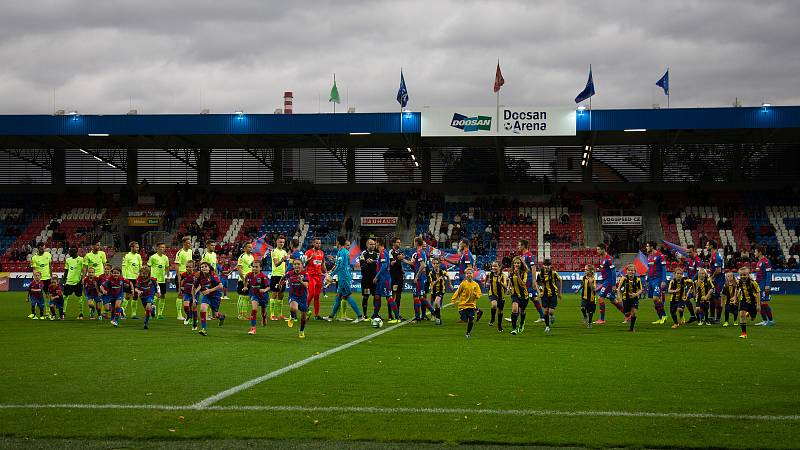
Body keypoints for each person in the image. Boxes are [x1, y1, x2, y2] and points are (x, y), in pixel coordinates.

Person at [327, 236, 365, 323]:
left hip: (343, 277)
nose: (335, 243)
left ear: (338, 243)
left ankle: (359, 316)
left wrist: (331, 274)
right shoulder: (345, 252)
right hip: (344, 276)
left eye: (336, 242)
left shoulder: (341, 252)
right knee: (338, 297)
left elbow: (340, 266)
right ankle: (331, 316)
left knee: (347, 296)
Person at [595, 243, 625, 324]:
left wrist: (613, 284)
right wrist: (597, 269)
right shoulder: (603, 258)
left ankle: (602, 319)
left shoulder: (608, 258)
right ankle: (627, 314)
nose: (597, 251)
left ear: (603, 249)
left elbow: (613, 271)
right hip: (605, 281)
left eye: (598, 249)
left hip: (608, 281)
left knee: (600, 297)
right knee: (613, 300)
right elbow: (603, 268)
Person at [372, 238, 401, 322]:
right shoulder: (383, 253)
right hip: (381, 280)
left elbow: (384, 266)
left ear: (378, 243)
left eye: (375, 243)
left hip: (385, 279)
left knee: (389, 297)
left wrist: (376, 276)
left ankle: (397, 317)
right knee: (377, 296)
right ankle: (375, 316)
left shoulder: (383, 253)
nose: (375, 245)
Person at [194, 261, 225, 336]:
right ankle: (203, 329)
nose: (203, 268)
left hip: (215, 296)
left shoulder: (213, 275)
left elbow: (221, 286)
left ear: (209, 268)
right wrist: (194, 296)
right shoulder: (200, 277)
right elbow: (195, 286)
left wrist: (209, 290)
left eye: (205, 266)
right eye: (202, 267)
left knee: (215, 315)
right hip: (206, 296)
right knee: (202, 309)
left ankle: (221, 317)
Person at [517, 240, 544, 323]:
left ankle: (515, 315)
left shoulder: (529, 256)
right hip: (525, 279)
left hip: (528, 280)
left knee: (522, 297)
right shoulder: (523, 255)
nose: (518, 247)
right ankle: (542, 316)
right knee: (534, 298)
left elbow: (533, 268)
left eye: (519, 245)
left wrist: (533, 280)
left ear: (523, 246)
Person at [450, 266, 482, 338]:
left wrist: (476, 295)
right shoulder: (463, 284)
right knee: (464, 319)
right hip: (463, 305)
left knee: (471, 319)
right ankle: (478, 311)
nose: (469, 275)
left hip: (471, 305)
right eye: (467, 273)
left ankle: (468, 333)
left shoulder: (476, 285)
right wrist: (453, 301)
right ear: (465, 275)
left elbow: (479, 294)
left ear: (473, 274)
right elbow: (457, 292)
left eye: (470, 273)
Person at [282, 258, 310, 338]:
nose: (297, 265)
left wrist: (301, 281)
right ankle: (293, 316)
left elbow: (306, 285)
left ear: (302, 265)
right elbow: (283, 277)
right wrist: (280, 284)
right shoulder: (290, 273)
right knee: (293, 308)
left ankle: (301, 330)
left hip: (303, 298)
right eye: (295, 264)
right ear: (293, 265)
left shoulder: (305, 274)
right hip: (293, 296)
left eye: (298, 264)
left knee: (303, 317)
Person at [303, 238, 327, 321]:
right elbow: (303, 263)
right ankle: (305, 312)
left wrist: (326, 273)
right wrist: (310, 258)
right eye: (317, 243)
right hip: (310, 276)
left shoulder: (322, 253)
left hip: (318, 276)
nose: (318, 245)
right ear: (313, 243)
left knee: (317, 296)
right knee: (311, 294)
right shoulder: (308, 252)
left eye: (319, 243)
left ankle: (316, 315)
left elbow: (323, 264)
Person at [411, 237, 434, 323]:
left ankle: (417, 318)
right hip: (422, 277)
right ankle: (433, 312)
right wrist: (404, 260)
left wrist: (416, 276)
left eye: (414, 242)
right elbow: (416, 264)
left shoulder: (419, 252)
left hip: (420, 278)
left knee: (417, 297)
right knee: (420, 296)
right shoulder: (422, 252)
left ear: (416, 243)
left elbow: (422, 265)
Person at [645, 242, 668, 325]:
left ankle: (664, 315)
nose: (646, 248)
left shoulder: (660, 256)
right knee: (654, 300)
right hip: (651, 280)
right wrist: (647, 280)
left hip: (657, 279)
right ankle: (660, 317)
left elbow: (664, 269)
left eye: (647, 246)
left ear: (652, 247)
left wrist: (663, 280)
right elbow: (649, 269)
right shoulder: (649, 256)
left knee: (656, 298)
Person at [537, 259, 562, 333]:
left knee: (550, 311)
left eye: (548, 265)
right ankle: (547, 326)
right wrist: (539, 292)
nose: (547, 267)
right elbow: (536, 283)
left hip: (553, 294)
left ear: (550, 266)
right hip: (544, 295)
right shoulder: (540, 274)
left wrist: (559, 292)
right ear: (543, 265)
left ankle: (552, 315)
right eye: (545, 265)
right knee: (546, 311)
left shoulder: (554, 273)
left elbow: (560, 280)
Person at [616, 264, 643, 332]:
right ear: (627, 271)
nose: (631, 272)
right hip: (625, 298)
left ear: (635, 271)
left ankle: (632, 328)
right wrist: (619, 297)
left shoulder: (638, 279)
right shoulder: (624, 278)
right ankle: (627, 316)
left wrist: (635, 294)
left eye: (633, 270)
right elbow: (618, 288)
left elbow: (641, 289)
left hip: (634, 298)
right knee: (627, 313)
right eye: (629, 270)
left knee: (634, 312)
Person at [245, 260, 270, 335]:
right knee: (254, 310)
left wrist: (264, 290)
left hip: (263, 296)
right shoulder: (249, 274)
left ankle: (264, 317)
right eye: (253, 267)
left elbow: (268, 287)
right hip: (254, 295)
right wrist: (245, 286)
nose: (254, 268)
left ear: (260, 268)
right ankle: (253, 328)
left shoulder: (263, 277)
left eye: (256, 267)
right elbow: (246, 278)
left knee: (263, 312)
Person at [736, 266, 760, 339]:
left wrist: (758, 304)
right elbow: (738, 290)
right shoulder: (738, 282)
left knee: (753, 317)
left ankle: (750, 313)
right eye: (741, 275)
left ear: (748, 275)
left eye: (744, 275)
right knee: (741, 314)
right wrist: (735, 298)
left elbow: (758, 292)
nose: (743, 276)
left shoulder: (753, 282)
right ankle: (744, 333)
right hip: (744, 300)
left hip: (753, 302)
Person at [269, 236, 289, 321]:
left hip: (283, 275)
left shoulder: (284, 252)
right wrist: (282, 259)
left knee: (281, 295)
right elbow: (276, 263)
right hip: (276, 275)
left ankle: (280, 314)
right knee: (274, 294)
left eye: (283, 242)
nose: (281, 244)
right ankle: (272, 314)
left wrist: (287, 273)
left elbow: (285, 264)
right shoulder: (274, 251)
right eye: (280, 242)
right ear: (276, 242)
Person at [753, 245, 774, 326]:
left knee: (764, 302)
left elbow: (769, 274)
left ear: (760, 252)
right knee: (759, 302)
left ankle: (771, 321)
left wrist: (767, 285)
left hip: (764, 284)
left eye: (755, 251)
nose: (754, 253)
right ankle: (764, 320)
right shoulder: (759, 262)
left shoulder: (766, 261)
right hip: (758, 284)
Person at [148, 242, 169, 320]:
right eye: (161, 247)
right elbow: (149, 267)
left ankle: (160, 314)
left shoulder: (165, 258)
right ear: (157, 248)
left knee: (163, 296)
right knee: (154, 296)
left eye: (164, 247)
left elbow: (167, 267)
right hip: (154, 279)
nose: (163, 249)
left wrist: (168, 276)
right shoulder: (153, 257)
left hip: (162, 279)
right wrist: (149, 277)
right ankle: (150, 312)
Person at [134, 265, 160, 330]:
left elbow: (157, 285)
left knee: (148, 308)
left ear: (148, 273)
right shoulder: (139, 279)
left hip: (150, 295)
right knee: (147, 309)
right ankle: (153, 308)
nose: (144, 275)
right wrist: (138, 291)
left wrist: (158, 292)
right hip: (143, 296)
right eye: (142, 273)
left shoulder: (152, 279)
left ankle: (146, 323)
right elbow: (136, 288)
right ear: (140, 273)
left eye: (146, 273)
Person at [705, 240, 725, 324]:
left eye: (707, 245)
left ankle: (718, 318)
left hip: (718, 280)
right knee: (712, 298)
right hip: (715, 280)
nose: (706, 246)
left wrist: (712, 277)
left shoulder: (716, 256)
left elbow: (718, 270)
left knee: (717, 298)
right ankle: (712, 317)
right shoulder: (713, 255)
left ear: (711, 246)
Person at [359, 238, 378, 322]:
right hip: (366, 279)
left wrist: (373, 261)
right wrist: (366, 262)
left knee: (376, 297)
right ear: (367, 245)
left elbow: (378, 264)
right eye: (371, 244)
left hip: (374, 279)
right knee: (366, 296)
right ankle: (365, 315)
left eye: (373, 244)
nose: (372, 245)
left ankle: (375, 314)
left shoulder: (376, 254)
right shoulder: (363, 253)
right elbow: (361, 265)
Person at [428, 255, 452, 326]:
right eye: (434, 263)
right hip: (433, 290)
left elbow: (448, 276)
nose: (435, 265)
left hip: (441, 290)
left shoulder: (442, 272)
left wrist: (450, 284)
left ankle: (438, 318)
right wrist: (438, 280)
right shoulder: (431, 273)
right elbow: (432, 284)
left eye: (437, 263)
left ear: (439, 264)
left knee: (436, 302)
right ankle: (436, 316)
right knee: (434, 304)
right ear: (432, 264)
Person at [508, 256, 529, 335]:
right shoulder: (511, 271)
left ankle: (522, 322)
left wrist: (518, 275)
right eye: (515, 263)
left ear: (521, 264)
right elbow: (510, 279)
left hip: (524, 295)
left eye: (518, 263)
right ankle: (514, 329)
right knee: (515, 309)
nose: (516, 264)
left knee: (522, 311)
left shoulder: (524, 273)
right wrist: (508, 288)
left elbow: (523, 284)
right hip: (515, 294)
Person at [175, 237, 194, 321]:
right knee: (180, 295)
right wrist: (179, 277)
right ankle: (179, 314)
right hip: (182, 275)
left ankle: (189, 315)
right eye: (188, 243)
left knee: (190, 295)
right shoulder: (180, 252)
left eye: (190, 243)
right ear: (184, 243)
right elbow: (176, 265)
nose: (190, 244)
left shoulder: (190, 251)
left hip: (189, 276)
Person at [122, 241, 143, 319]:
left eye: (138, 247)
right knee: (127, 296)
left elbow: (140, 267)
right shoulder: (127, 256)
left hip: (136, 278)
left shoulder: (138, 256)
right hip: (129, 278)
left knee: (135, 296)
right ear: (132, 247)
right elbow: (124, 267)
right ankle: (122, 311)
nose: (138, 248)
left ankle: (133, 314)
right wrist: (124, 279)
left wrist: (140, 277)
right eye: (136, 247)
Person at [485, 261, 507, 332]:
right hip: (492, 293)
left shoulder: (503, 275)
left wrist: (500, 282)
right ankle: (492, 319)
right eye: (492, 266)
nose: (493, 268)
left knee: (500, 311)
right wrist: (485, 283)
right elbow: (487, 277)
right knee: (494, 305)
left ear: (499, 267)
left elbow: (505, 286)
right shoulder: (490, 274)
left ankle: (499, 325)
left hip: (501, 295)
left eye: (495, 266)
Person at [30, 242, 53, 313]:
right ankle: (34, 312)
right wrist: (36, 277)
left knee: (47, 295)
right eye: (40, 249)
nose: (42, 250)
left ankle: (47, 310)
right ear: (38, 249)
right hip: (39, 280)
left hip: (47, 278)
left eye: (43, 248)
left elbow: (50, 266)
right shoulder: (34, 258)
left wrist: (51, 276)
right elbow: (34, 269)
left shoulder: (48, 255)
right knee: (36, 295)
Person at [63, 246, 85, 319]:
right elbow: (66, 271)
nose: (69, 253)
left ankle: (81, 313)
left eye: (70, 252)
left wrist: (82, 279)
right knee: (65, 297)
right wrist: (64, 280)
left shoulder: (81, 259)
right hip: (69, 282)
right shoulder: (68, 260)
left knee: (80, 298)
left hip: (77, 282)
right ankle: (63, 312)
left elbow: (84, 271)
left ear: (75, 252)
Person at [236, 242, 255, 320]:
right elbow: (239, 269)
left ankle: (244, 313)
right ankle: (240, 314)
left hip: (250, 280)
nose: (250, 248)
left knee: (247, 297)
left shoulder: (252, 257)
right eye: (249, 247)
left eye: (251, 247)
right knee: (242, 297)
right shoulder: (242, 257)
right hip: (243, 280)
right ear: (244, 248)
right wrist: (244, 280)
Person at [389, 238, 406, 320]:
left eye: (400, 242)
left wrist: (402, 269)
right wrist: (397, 259)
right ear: (393, 243)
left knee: (399, 295)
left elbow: (400, 263)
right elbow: (391, 263)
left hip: (400, 276)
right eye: (398, 242)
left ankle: (397, 314)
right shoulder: (391, 252)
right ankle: (390, 315)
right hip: (394, 276)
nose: (399, 244)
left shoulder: (400, 252)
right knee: (393, 295)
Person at [179, 260, 199, 329]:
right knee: (186, 306)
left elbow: (200, 285)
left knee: (193, 306)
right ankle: (189, 316)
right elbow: (181, 282)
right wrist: (181, 289)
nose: (188, 268)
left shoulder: (197, 274)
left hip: (195, 294)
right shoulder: (184, 274)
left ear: (193, 267)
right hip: (187, 293)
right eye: (187, 267)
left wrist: (196, 291)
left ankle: (195, 322)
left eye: (190, 267)